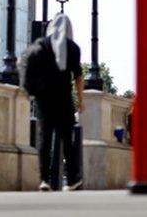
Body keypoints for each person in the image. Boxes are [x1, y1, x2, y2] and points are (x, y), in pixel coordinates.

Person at [25, 13, 84, 192]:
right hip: (64, 99)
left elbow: (28, 71)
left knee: (45, 139)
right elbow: (78, 77)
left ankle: (44, 180)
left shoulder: (40, 46)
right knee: (67, 140)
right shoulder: (73, 48)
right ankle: (72, 180)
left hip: (44, 100)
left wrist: (32, 94)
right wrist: (81, 101)